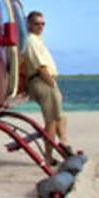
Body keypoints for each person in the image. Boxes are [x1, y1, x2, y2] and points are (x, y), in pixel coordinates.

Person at [19, 11, 69, 151]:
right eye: (37, 24)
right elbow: (40, 67)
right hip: (42, 80)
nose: (40, 26)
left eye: (43, 24)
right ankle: (49, 155)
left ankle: (64, 142)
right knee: (51, 120)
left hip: (44, 80)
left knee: (59, 116)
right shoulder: (31, 41)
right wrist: (52, 84)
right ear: (29, 24)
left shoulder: (37, 40)